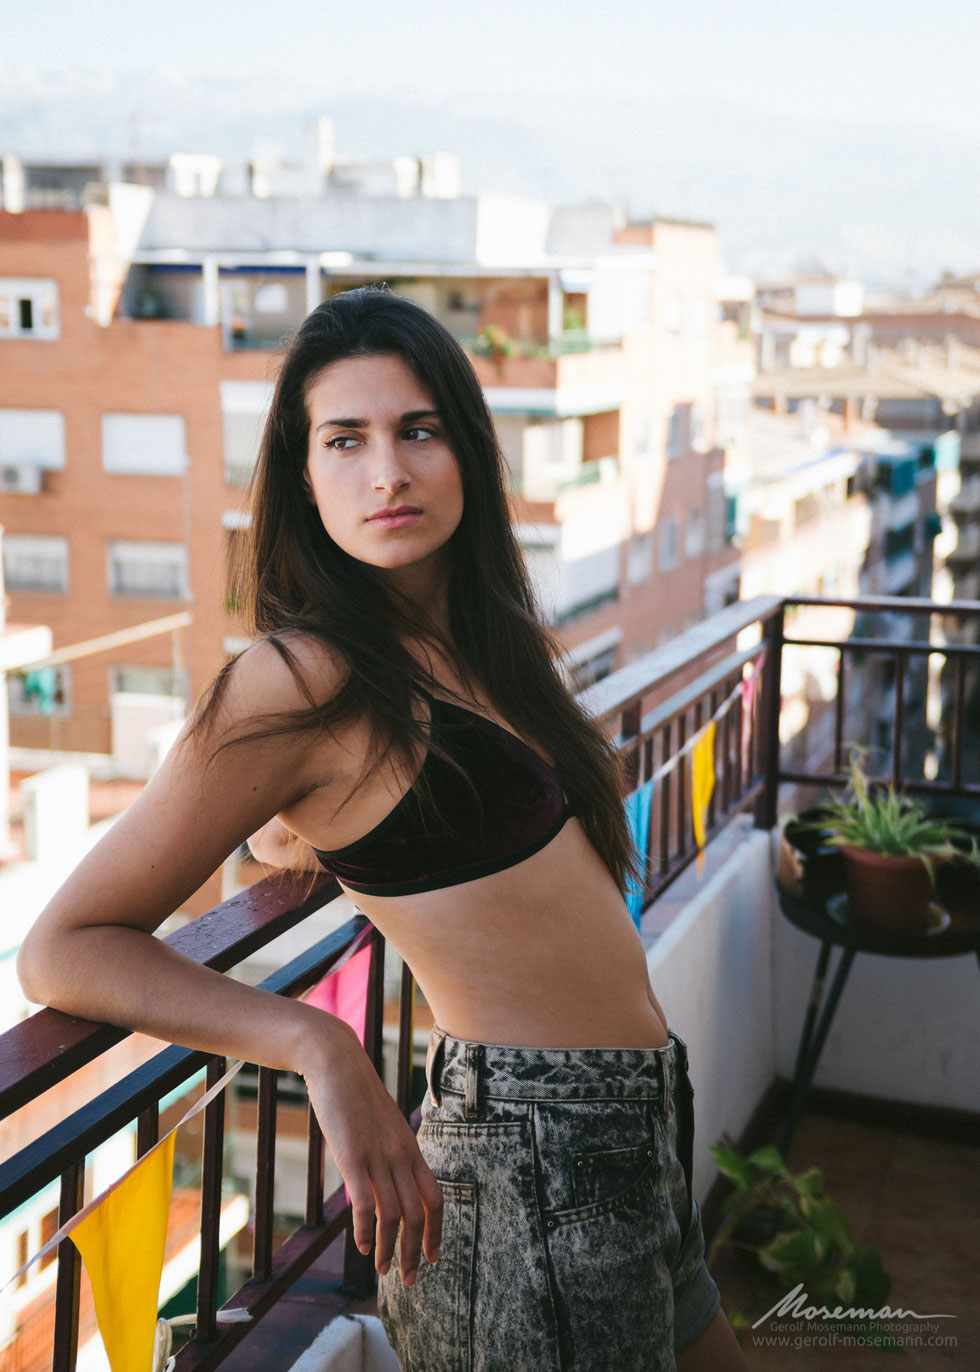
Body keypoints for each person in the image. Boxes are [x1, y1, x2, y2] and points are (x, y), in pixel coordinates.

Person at [18, 288, 747, 1371]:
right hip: (522, 1186)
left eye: (417, 430)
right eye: (344, 440)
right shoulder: (297, 679)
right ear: (303, 476)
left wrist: (304, 837)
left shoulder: (487, 647)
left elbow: (418, 828)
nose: (387, 473)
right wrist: (314, 1043)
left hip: (627, 1135)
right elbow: (61, 947)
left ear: (464, 448)